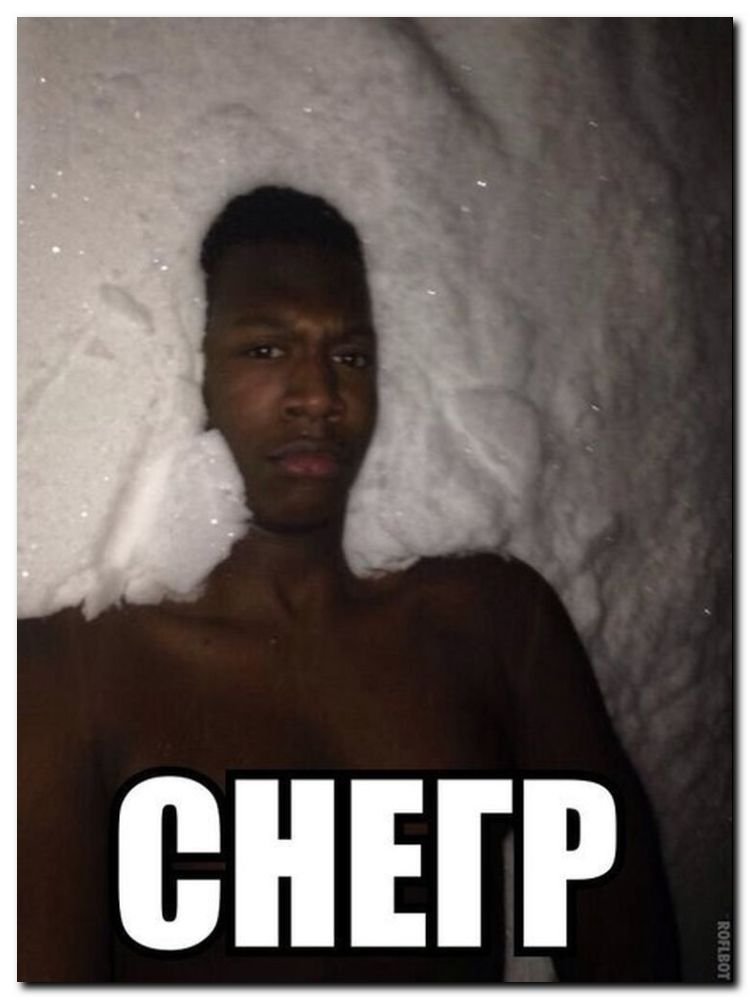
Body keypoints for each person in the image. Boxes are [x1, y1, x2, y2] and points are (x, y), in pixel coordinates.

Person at [18, 186, 679, 983]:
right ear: (188, 370)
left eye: (351, 357)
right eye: (266, 350)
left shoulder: (494, 622)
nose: (320, 397)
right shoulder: (73, 670)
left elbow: (630, 963)